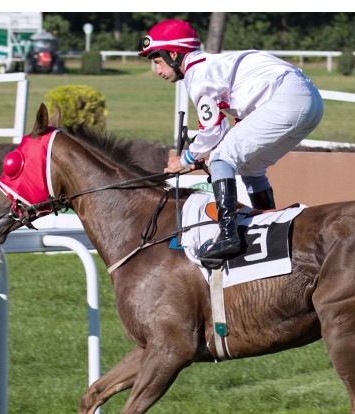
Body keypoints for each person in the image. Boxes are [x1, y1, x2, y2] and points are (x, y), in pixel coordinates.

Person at [138, 19, 324, 261]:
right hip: (311, 103)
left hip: (286, 99)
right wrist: (201, 155)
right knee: (250, 166)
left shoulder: (198, 74)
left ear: (173, 53)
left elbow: (213, 131)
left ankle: (228, 235)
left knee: (222, 157)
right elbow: (233, 128)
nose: (158, 71)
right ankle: (267, 223)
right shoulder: (213, 65)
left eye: (158, 62)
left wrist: (185, 159)